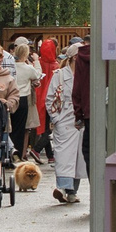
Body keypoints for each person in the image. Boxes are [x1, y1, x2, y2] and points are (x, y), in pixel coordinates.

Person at [48, 39, 85, 203]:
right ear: (74, 57)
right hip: (64, 119)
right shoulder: (60, 75)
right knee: (63, 154)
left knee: (78, 156)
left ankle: (72, 192)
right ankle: (62, 187)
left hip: (82, 119)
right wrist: (56, 119)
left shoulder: (88, 75)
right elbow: (50, 98)